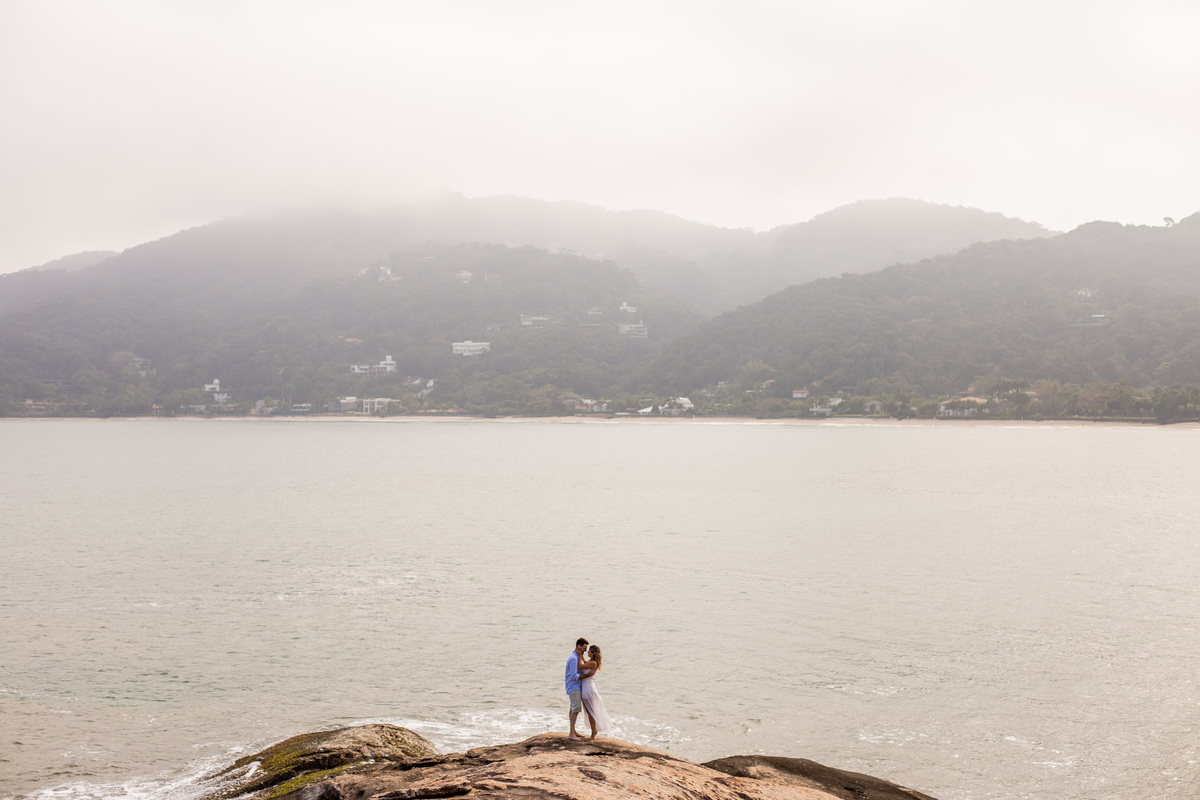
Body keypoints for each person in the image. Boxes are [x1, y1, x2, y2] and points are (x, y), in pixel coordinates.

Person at [577, 644, 612, 739]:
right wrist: (581, 655)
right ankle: (594, 730)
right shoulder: (590, 661)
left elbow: (580, 666)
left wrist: (579, 655)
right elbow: (584, 662)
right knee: (588, 711)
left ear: (592, 653)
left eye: (589, 651)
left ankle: (594, 731)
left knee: (590, 711)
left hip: (588, 688)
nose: (587, 652)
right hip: (586, 687)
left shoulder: (593, 663)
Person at [565, 637, 589, 741]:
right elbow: (574, 676)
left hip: (576, 686)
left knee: (573, 708)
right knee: (576, 709)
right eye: (584, 648)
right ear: (578, 646)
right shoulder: (574, 659)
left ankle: (573, 730)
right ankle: (571, 733)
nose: (585, 651)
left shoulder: (578, 657)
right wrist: (588, 675)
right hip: (574, 686)